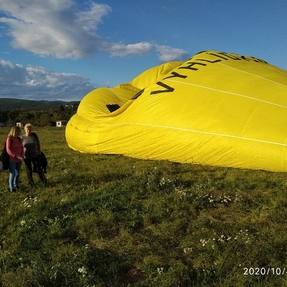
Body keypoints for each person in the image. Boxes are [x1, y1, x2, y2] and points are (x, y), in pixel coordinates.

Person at [22, 123, 47, 187]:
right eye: (27, 129)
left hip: (35, 155)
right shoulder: (22, 138)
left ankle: (43, 181)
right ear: (24, 129)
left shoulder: (34, 136)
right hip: (26, 156)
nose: (28, 130)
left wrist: (39, 151)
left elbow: (38, 144)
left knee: (38, 169)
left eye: (30, 129)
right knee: (29, 170)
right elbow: (20, 147)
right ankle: (31, 184)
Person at [6, 126, 24, 192]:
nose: (18, 132)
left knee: (17, 173)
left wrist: (22, 155)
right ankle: (11, 188)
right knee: (12, 173)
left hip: (19, 159)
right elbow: (8, 150)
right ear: (13, 131)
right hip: (12, 159)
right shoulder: (9, 138)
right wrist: (16, 156)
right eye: (17, 131)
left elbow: (22, 147)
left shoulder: (19, 138)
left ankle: (16, 185)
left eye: (19, 131)